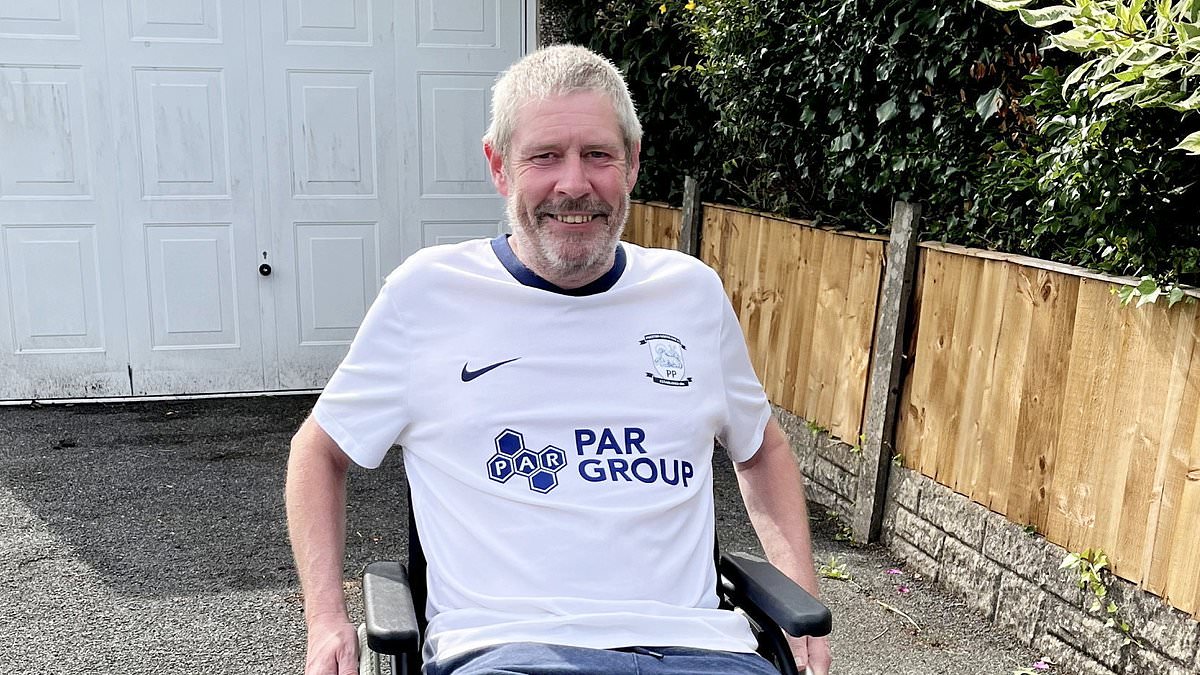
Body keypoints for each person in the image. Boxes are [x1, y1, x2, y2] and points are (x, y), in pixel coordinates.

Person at [285, 44, 833, 675]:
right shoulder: (427, 295)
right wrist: (326, 621)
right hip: (507, 651)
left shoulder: (692, 294)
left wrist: (799, 593)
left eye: (598, 154)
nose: (574, 185)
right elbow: (319, 451)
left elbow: (762, 449)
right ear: (499, 167)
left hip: (703, 652)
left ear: (631, 163)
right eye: (545, 156)